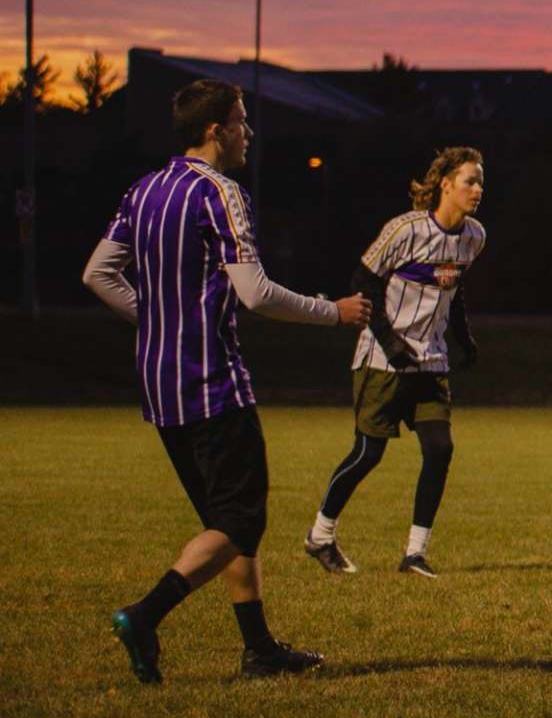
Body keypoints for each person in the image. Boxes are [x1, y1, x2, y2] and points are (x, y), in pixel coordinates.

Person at [81, 79, 370, 682]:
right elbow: (256, 293)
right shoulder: (221, 193)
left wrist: (155, 318)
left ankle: (260, 650)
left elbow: (97, 274)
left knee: (224, 521)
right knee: (241, 521)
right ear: (217, 131)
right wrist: (331, 311)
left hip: (158, 387)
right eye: (242, 121)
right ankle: (145, 615)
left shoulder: (144, 190)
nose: (250, 132)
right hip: (211, 381)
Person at [303, 147, 488, 579]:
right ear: (446, 184)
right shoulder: (404, 230)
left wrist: (463, 338)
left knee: (440, 449)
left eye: (481, 182)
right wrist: (390, 342)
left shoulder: (475, 236)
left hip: (431, 361)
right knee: (368, 453)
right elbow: (362, 280)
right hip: (382, 360)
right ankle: (320, 535)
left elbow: (453, 288)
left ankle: (415, 554)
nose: (478, 190)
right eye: (470, 181)